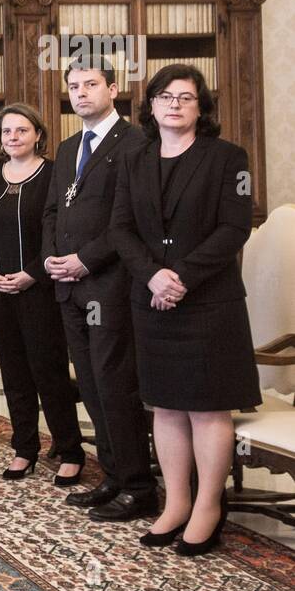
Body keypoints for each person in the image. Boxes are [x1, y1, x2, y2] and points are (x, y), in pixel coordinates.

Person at [110, 65, 260, 555]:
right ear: (150, 106)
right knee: (166, 405)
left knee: (207, 406)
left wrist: (181, 277)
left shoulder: (229, 158)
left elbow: (234, 228)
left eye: (186, 97)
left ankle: (208, 508)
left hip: (209, 304)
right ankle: (176, 503)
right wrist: (152, 274)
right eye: (165, 96)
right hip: (150, 300)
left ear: (201, 108)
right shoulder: (134, 159)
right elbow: (121, 229)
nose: (174, 104)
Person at [41, 56, 156, 521]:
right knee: (88, 384)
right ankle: (111, 476)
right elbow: (52, 210)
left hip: (109, 285)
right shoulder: (69, 148)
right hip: (67, 286)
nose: (81, 93)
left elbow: (131, 221)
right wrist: (52, 257)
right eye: (73, 85)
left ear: (113, 88)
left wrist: (84, 261)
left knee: (115, 385)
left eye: (91, 84)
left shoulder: (136, 144)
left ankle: (139, 486)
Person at [0, 104, 84, 483]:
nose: (13, 138)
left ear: (38, 134)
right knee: (13, 372)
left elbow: (60, 231)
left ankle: (70, 450)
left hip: (40, 289)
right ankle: (24, 449)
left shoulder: (53, 175)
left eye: (21, 130)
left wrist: (32, 274)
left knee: (48, 372)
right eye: (6, 132)